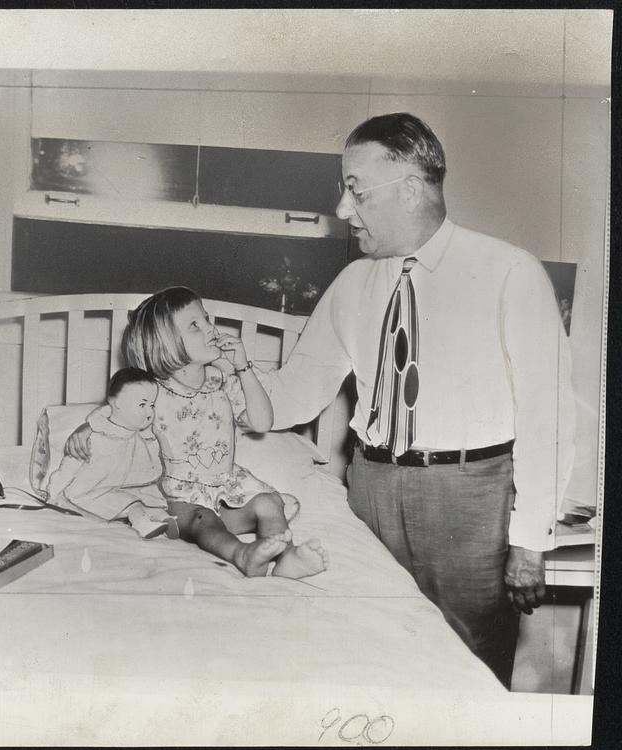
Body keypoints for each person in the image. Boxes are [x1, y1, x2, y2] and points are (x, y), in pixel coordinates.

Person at [261, 112, 575, 687]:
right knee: (363, 652)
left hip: (468, 498)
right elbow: (294, 394)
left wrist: (530, 542)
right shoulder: (354, 283)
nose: (342, 210)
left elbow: (546, 412)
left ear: (410, 188)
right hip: (370, 488)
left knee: (467, 667)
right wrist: (216, 381)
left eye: (355, 190)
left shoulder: (508, 271)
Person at [77, 286, 328, 578]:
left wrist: (243, 369)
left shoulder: (222, 381)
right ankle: (242, 555)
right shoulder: (152, 392)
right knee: (201, 518)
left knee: (269, 502)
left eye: (207, 320)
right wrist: (86, 428)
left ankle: (287, 558)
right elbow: (115, 412)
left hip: (228, 488)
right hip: (181, 497)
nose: (211, 328)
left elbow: (262, 423)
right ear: (166, 344)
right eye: (196, 325)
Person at [50, 367, 178, 539]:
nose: (149, 413)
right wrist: (53, 493)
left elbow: (158, 463)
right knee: (132, 504)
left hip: (129, 489)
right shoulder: (96, 435)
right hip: (92, 493)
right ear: (116, 404)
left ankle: (163, 521)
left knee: (149, 501)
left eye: (152, 405)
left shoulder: (145, 434)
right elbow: (69, 466)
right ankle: (142, 524)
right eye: (142, 405)